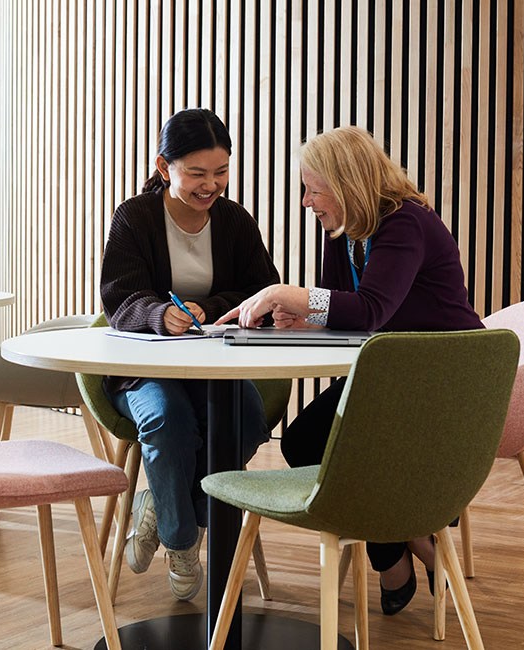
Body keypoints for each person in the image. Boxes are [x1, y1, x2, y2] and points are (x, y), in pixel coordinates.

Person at [217, 125, 483, 615]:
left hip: (444, 380)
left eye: (312, 189)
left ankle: (393, 553)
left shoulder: (406, 222)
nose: (305, 201)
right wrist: (304, 319)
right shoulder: (344, 231)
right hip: (388, 375)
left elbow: (369, 310)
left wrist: (284, 294)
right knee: (302, 443)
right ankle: (407, 538)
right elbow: (341, 310)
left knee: (329, 450)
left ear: (345, 185)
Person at [100, 108, 279, 601]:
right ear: (164, 168)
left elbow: (263, 290)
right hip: (143, 370)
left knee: (245, 416)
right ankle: (182, 543)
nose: (211, 185)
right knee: (168, 421)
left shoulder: (235, 221)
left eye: (221, 172)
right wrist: (160, 315)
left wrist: (213, 307)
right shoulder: (134, 218)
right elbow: (119, 299)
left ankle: (162, 502)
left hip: (213, 368)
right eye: (197, 173)